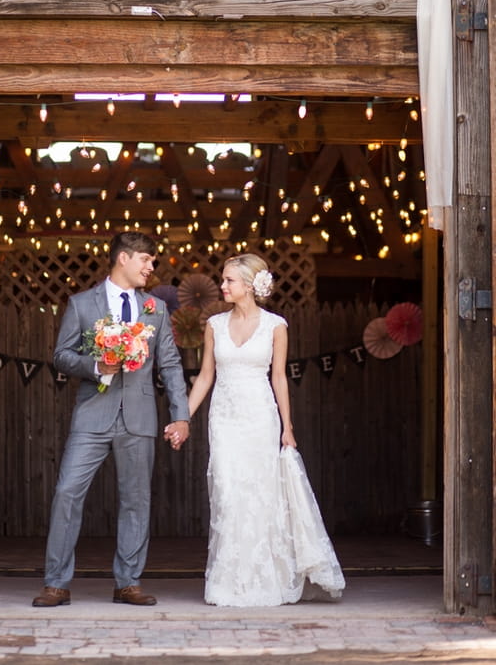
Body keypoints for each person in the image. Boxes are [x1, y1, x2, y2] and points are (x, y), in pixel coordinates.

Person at [173, 253, 344, 607]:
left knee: (261, 495)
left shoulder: (275, 325)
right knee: (228, 492)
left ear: (250, 286)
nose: (222, 286)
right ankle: (229, 581)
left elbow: (279, 377)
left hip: (259, 417)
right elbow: (205, 376)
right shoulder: (214, 325)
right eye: (223, 280)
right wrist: (183, 418)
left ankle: (267, 578)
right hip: (224, 418)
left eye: (229, 281)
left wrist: (288, 427)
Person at [32, 231, 190, 608]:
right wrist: (96, 366)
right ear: (124, 258)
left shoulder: (156, 308)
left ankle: (128, 583)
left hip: (139, 416)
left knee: (136, 500)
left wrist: (181, 416)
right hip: (92, 414)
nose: (151, 267)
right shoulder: (82, 304)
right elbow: (62, 356)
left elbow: (169, 364)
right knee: (68, 491)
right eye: (146, 260)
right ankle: (56, 583)